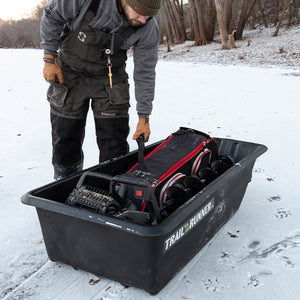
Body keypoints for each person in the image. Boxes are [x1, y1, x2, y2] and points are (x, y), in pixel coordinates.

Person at [40, 0, 162, 179]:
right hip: (70, 75)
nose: (143, 19)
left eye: (148, 16)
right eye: (139, 13)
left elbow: (145, 72)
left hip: (110, 80)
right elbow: (51, 14)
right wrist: (50, 58)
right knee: (65, 139)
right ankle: (64, 183)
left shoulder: (148, 27)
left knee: (114, 145)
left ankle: (112, 188)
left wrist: (144, 116)